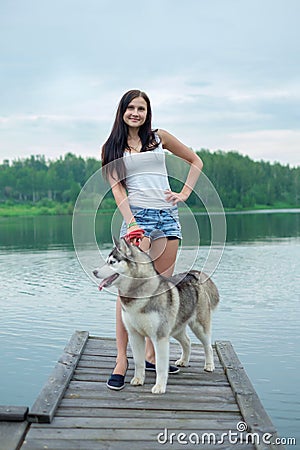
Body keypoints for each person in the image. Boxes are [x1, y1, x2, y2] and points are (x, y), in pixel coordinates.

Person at [101, 89, 203, 390]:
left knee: (160, 288)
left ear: (148, 112)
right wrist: (132, 223)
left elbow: (196, 162)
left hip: (167, 218)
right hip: (137, 220)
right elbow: (119, 190)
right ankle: (122, 361)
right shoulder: (111, 148)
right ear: (122, 111)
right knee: (127, 293)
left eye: (141, 108)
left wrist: (183, 193)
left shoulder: (159, 138)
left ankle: (149, 356)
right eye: (131, 108)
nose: (136, 113)